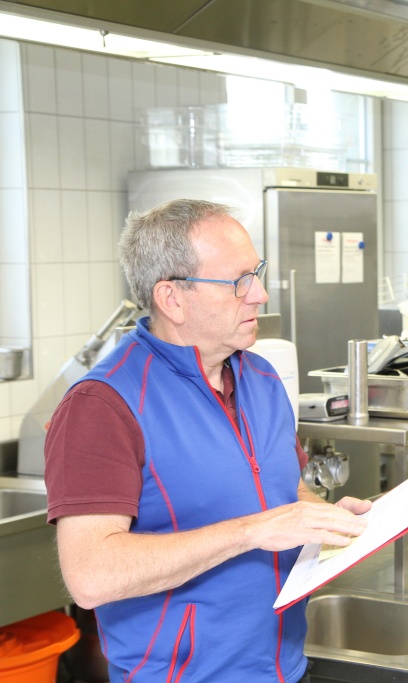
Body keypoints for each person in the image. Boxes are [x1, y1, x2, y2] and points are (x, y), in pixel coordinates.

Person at [43, 199, 372, 682]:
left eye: (257, 273)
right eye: (239, 281)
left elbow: (284, 491)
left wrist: (321, 519)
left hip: (284, 668)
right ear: (172, 298)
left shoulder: (260, 378)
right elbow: (91, 576)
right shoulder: (103, 404)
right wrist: (250, 531)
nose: (260, 294)